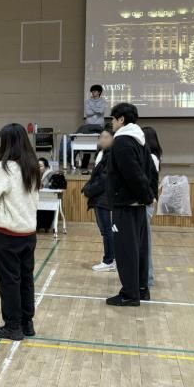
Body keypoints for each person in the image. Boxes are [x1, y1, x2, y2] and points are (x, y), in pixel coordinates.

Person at [0, 123, 40, 341]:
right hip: (29, 233)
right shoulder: (32, 165)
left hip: (8, 234)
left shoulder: (4, 167)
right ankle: (27, 323)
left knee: (9, 281)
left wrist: (1, 206)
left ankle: (13, 326)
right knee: (26, 279)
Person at [106, 103, 155, 306]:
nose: (111, 122)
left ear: (121, 119)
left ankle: (129, 294)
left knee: (126, 250)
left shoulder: (122, 141)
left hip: (125, 205)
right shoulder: (140, 139)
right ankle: (141, 289)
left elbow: (132, 174)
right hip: (138, 205)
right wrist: (148, 196)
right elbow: (151, 171)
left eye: (113, 118)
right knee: (140, 250)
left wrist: (146, 196)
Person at [83, 128, 116, 272]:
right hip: (99, 197)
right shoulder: (101, 153)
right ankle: (111, 258)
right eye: (101, 137)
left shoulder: (110, 155)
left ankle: (109, 260)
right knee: (105, 230)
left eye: (105, 137)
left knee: (107, 230)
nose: (102, 139)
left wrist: (89, 190)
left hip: (104, 197)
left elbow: (104, 179)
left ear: (113, 139)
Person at [142, 126, 162, 288]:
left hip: (147, 203)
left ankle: (148, 277)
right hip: (146, 202)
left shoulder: (152, 158)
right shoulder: (148, 157)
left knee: (145, 242)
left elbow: (150, 181)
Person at [36, 157, 54, 231]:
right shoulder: (37, 174)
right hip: (40, 197)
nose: (38, 168)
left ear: (46, 167)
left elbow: (48, 185)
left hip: (50, 198)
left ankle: (46, 226)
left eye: (40, 166)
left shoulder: (50, 174)